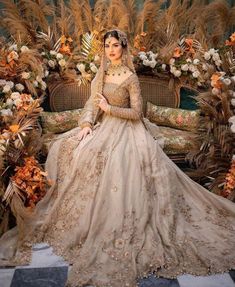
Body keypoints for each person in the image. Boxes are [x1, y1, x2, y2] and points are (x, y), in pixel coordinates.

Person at [0, 28, 235, 287]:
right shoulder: (102, 72)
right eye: (107, 46)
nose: (111, 50)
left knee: (117, 161)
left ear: (123, 47)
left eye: (115, 45)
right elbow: (91, 102)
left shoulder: (130, 77)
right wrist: (88, 123)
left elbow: (136, 113)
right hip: (102, 126)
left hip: (127, 128)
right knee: (68, 147)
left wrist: (109, 108)